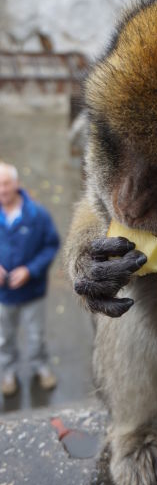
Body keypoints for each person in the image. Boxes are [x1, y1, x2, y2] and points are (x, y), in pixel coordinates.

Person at [0, 162, 60, 396]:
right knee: (4, 338)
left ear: (16, 184)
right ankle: (8, 372)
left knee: (36, 335)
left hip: (32, 293)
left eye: (6, 183)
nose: (2, 190)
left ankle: (40, 366)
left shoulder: (38, 215)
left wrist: (30, 270)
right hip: (3, 296)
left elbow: (50, 245)